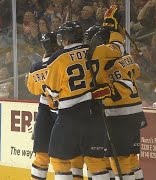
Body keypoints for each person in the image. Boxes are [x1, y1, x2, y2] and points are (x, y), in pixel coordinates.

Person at [44, 21, 109, 179]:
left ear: (66, 38)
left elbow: (52, 92)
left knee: (59, 159)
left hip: (70, 115)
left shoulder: (58, 57)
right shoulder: (95, 51)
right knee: (96, 161)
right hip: (96, 112)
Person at [90, 5, 146, 180]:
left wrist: (110, 26)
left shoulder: (99, 54)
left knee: (120, 160)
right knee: (131, 158)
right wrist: (113, 27)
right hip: (136, 112)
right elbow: (136, 71)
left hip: (118, 114)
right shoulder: (125, 57)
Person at [27, 32, 61, 180]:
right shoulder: (63, 62)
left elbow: (33, 89)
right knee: (65, 158)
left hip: (45, 111)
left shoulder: (36, 67)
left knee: (41, 155)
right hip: (66, 110)